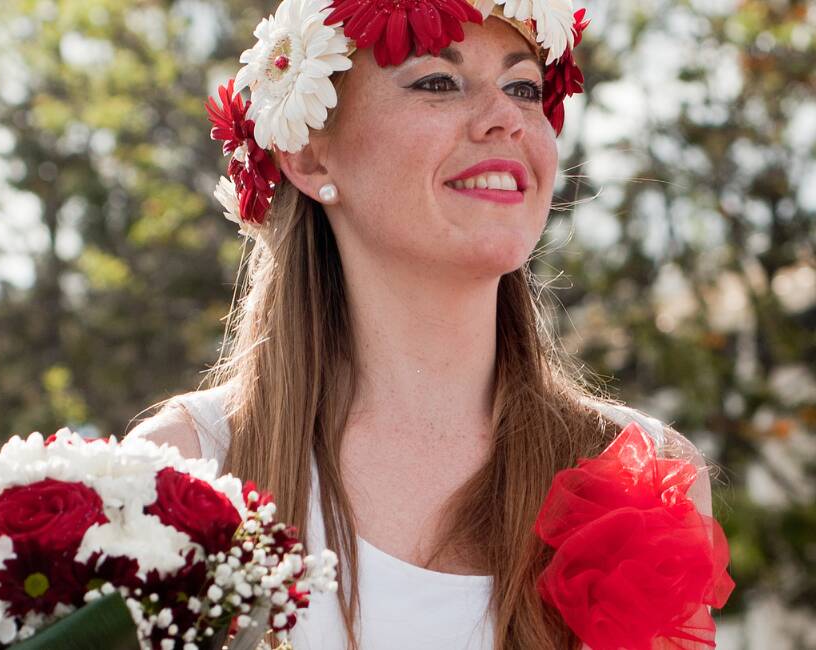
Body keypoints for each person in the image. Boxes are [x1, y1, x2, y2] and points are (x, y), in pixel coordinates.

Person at [131, 1, 723, 648]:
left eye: (523, 87)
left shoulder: (643, 474)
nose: (507, 119)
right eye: (437, 82)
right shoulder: (188, 470)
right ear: (309, 159)